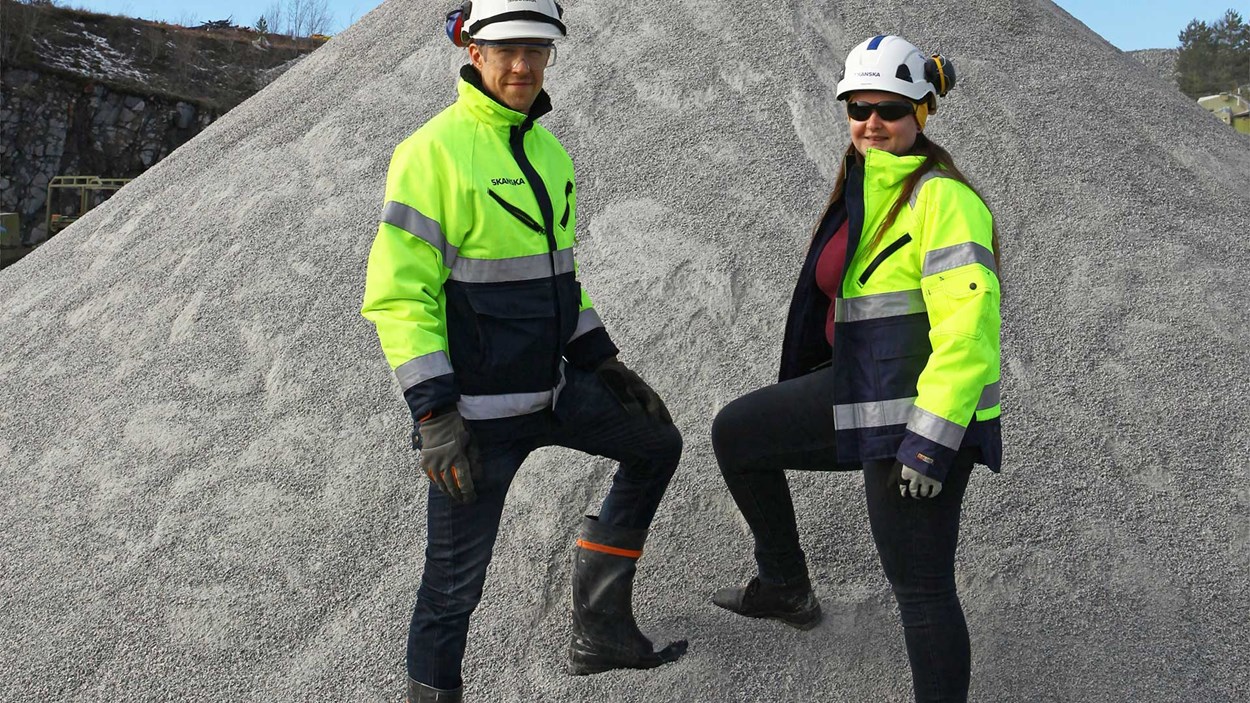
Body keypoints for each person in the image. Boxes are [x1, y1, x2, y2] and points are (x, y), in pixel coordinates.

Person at [361, 2, 686, 700]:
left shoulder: (549, 153)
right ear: (473, 53)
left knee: (657, 443)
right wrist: (434, 415)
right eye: (506, 50)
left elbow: (558, 276)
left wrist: (600, 358)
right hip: (474, 422)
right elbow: (398, 294)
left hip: (556, 395)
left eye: (536, 50)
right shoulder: (431, 153)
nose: (522, 65)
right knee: (452, 592)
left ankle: (599, 631)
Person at [709, 35, 1002, 702]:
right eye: (858, 106)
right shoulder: (863, 182)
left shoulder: (943, 200)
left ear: (922, 112)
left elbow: (970, 334)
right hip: (861, 387)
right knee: (739, 434)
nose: (871, 120)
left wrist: (930, 443)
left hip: (919, 418)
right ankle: (785, 584)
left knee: (921, 589)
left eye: (889, 108)